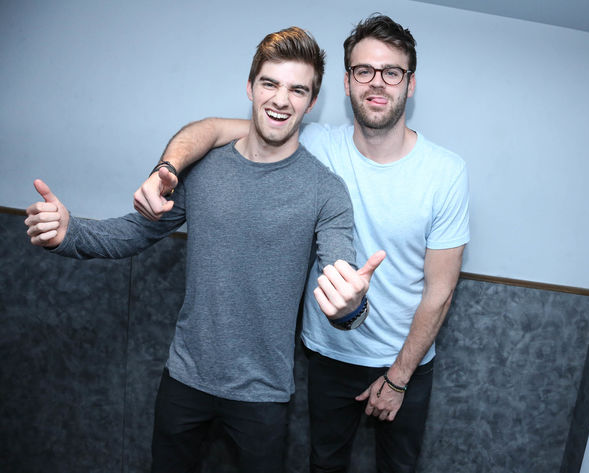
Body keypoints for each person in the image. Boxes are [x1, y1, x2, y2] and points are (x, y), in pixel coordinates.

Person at [24, 26, 385, 473]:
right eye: (270, 83)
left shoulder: (326, 191)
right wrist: (69, 233)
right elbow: (135, 233)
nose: (280, 99)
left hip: (263, 394)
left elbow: (341, 276)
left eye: (297, 90)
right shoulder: (205, 168)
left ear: (311, 104)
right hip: (185, 379)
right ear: (250, 87)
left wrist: (350, 306)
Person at [132, 14, 470, 473]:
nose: (377, 83)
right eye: (363, 71)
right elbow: (212, 130)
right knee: (323, 466)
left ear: (410, 85)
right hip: (328, 353)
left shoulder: (445, 173)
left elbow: (441, 290)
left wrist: (398, 378)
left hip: (404, 360)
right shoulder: (312, 142)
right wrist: (167, 169)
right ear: (347, 82)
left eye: (392, 72)